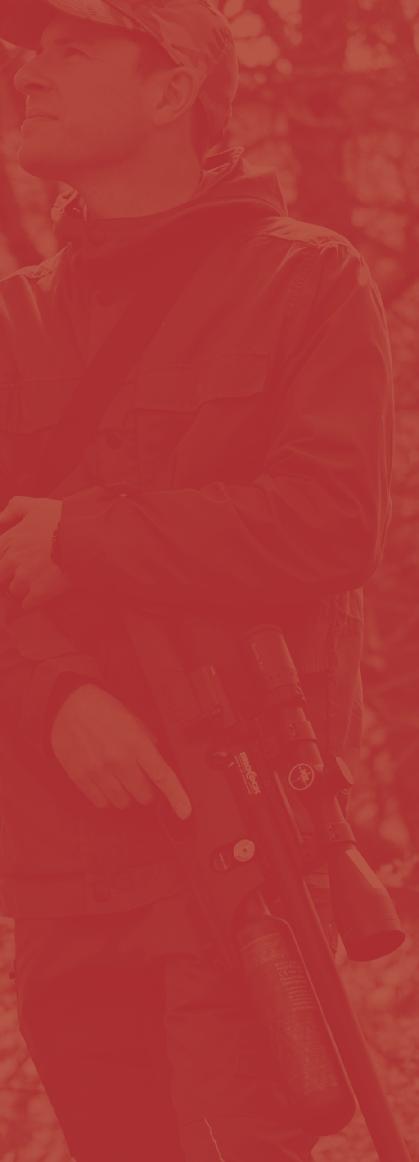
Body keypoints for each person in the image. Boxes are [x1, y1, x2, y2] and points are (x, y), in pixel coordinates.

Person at [0, 2, 393, 1160]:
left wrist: (84, 538)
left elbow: (330, 523)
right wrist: (54, 695)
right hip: (63, 870)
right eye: (32, 51)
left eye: (75, 49)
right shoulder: (15, 321)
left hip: (238, 856)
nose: (32, 73)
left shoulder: (305, 282)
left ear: (172, 88)